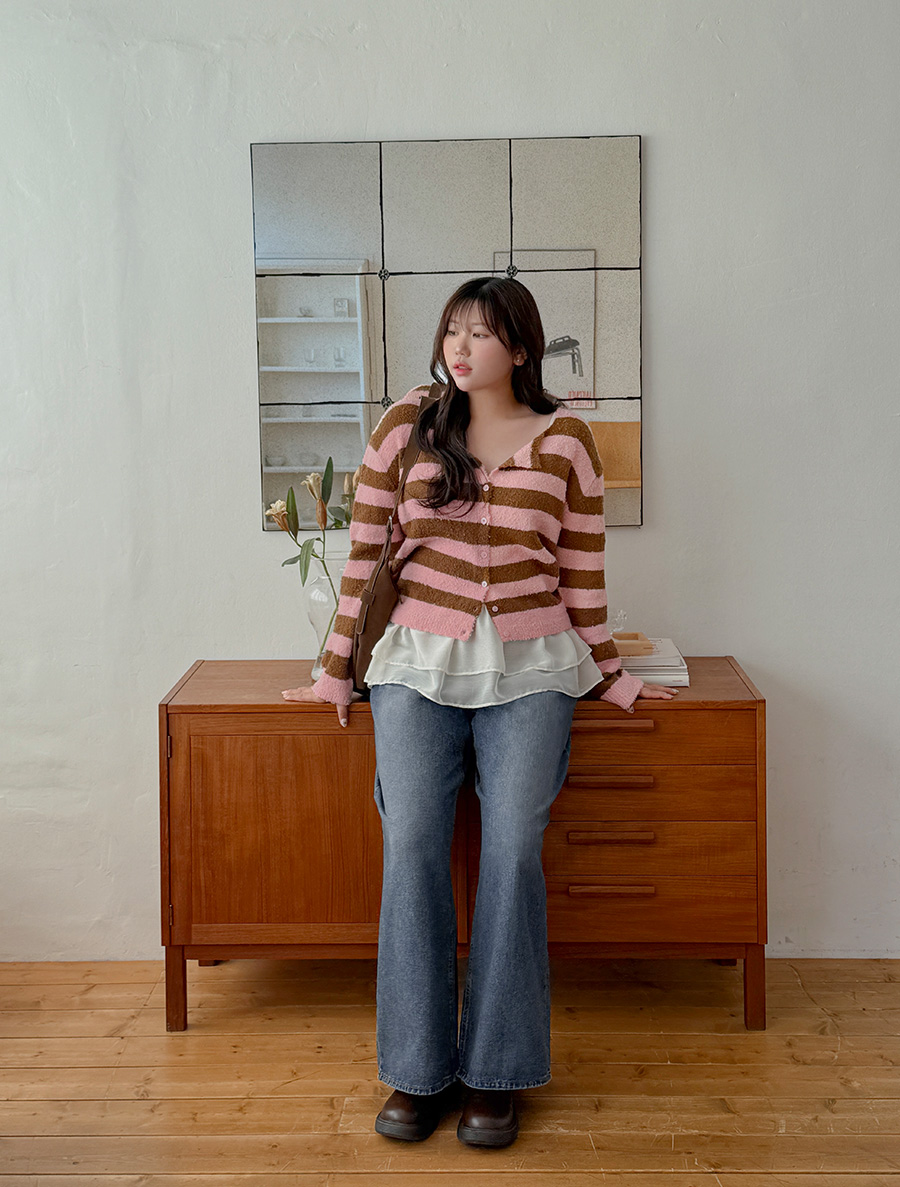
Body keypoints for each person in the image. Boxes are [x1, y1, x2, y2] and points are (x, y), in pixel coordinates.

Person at [282, 276, 677, 1148]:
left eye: (482, 333)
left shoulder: (567, 441)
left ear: (522, 348)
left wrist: (610, 674)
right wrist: (334, 669)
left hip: (535, 669)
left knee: (512, 851)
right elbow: (364, 557)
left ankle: (497, 1074)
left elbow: (582, 574)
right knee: (414, 842)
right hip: (415, 665)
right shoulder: (407, 424)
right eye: (452, 331)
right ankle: (416, 1069)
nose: (460, 348)